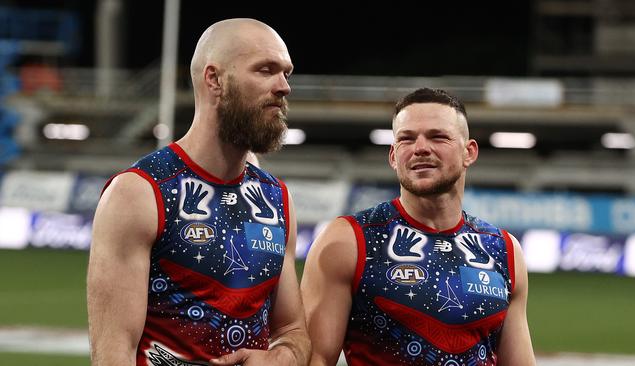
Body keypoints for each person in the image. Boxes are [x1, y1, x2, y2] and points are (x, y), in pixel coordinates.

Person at [87, 18, 310, 366]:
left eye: (286, 73)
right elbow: (113, 353)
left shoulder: (276, 199)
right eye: (266, 70)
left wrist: (280, 357)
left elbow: (293, 330)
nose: (283, 87)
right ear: (214, 79)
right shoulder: (140, 193)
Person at [301, 88, 536, 366]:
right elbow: (313, 359)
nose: (420, 147)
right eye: (406, 139)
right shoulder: (349, 240)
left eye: (438, 136)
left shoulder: (503, 250)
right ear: (392, 156)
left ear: (469, 152)